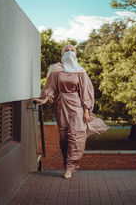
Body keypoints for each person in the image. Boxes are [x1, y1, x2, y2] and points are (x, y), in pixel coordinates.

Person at [36, 44, 108, 178]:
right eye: (66, 50)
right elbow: (51, 87)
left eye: (72, 50)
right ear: (62, 54)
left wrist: (86, 111)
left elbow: (86, 92)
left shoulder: (80, 71)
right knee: (64, 137)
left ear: (76, 54)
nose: (69, 52)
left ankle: (70, 167)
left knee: (75, 136)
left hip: (76, 107)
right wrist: (45, 99)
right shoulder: (56, 70)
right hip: (61, 106)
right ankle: (66, 163)